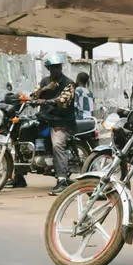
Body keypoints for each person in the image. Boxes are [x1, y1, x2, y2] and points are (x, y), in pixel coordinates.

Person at [33, 53, 77, 195]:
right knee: (23, 133)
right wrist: (45, 90)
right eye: (52, 68)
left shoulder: (69, 83)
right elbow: (34, 95)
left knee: (58, 145)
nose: (55, 70)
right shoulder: (44, 81)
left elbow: (64, 100)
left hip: (61, 121)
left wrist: (47, 101)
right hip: (45, 118)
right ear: (48, 68)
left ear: (61, 67)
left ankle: (62, 180)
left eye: (57, 67)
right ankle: (18, 177)